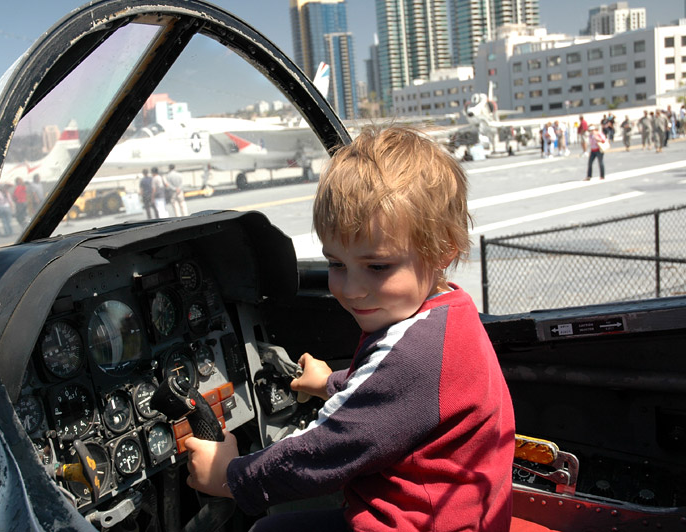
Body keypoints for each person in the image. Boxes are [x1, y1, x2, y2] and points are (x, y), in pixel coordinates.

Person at [184, 126, 516, 531]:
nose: (350, 289)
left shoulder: (417, 353)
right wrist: (331, 383)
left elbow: (326, 448)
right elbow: (397, 398)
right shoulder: (449, 312)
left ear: (442, 251)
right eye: (335, 264)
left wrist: (231, 476)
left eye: (378, 266)